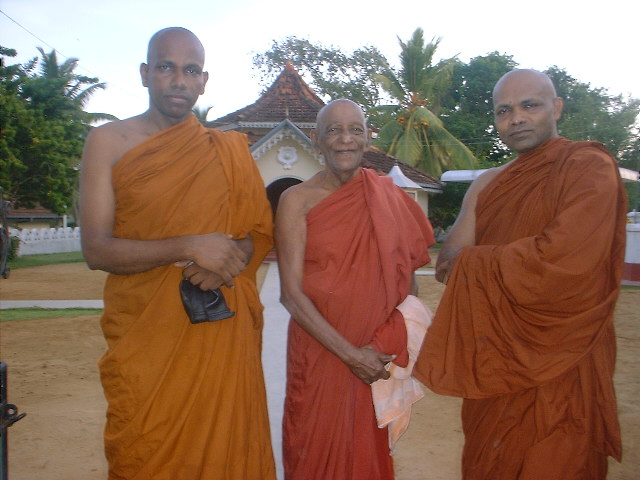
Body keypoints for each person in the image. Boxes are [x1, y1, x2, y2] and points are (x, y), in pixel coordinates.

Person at [79, 27, 275, 480]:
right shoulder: (108, 143)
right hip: (147, 340)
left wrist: (225, 263)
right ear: (147, 74)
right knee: (145, 453)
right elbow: (96, 248)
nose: (178, 80)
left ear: (204, 81)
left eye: (190, 71)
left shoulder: (227, 151)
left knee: (227, 454)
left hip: (218, 335)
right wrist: (188, 246)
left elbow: (256, 235)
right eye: (166, 67)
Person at [414, 69, 627, 479]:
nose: (516, 119)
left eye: (530, 105)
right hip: (495, 362)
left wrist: (479, 263)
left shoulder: (588, 167)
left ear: (556, 108)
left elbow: (566, 262)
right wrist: (483, 264)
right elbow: (447, 262)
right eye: (504, 110)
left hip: (565, 358)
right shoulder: (488, 185)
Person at [275, 98, 435, 479]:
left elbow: (408, 282)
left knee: (367, 456)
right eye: (333, 130)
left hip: (373, 353)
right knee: (311, 449)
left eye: (355, 130)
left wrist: (382, 344)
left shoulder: (389, 196)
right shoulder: (295, 200)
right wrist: (350, 355)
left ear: (367, 139)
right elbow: (291, 294)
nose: (345, 139)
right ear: (316, 139)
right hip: (320, 353)